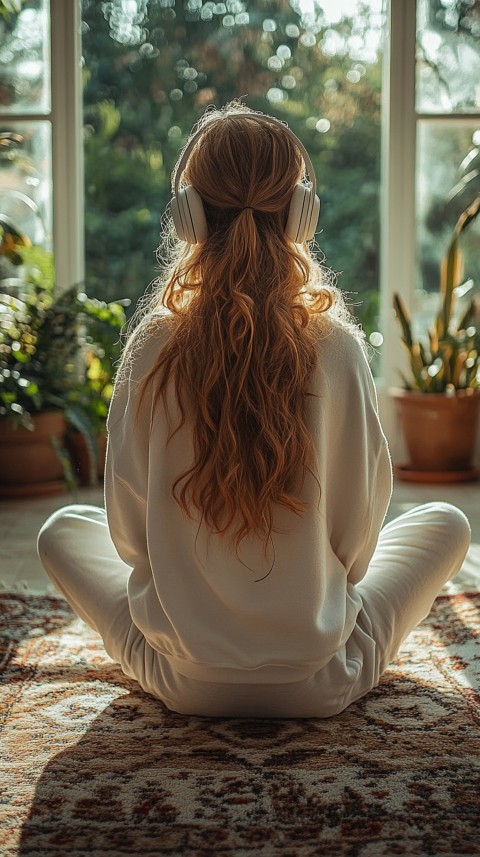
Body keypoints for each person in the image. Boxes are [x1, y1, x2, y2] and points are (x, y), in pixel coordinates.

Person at [38, 102, 471, 718]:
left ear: (189, 217)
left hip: (184, 678)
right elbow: (356, 545)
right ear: (300, 216)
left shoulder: (154, 343)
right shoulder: (338, 345)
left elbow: (130, 540)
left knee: (60, 532)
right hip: (322, 678)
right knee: (446, 523)